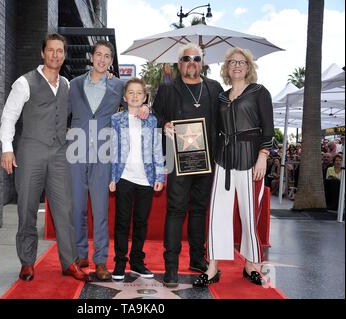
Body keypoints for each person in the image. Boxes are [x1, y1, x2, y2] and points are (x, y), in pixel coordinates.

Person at [0, 34, 88, 282]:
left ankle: (69, 262)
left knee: (65, 209)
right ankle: (27, 262)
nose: (55, 55)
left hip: (59, 154)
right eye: (51, 50)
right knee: (27, 208)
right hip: (31, 152)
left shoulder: (67, 85)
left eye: (60, 51)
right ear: (43, 53)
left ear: (64, 55)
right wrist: (7, 147)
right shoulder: (24, 82)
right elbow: (9, 116)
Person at [68, 40, 150, 280]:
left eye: (107, 56)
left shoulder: (118, 85)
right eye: (99, 55)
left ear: (111, 61)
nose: (102, 59)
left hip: (104, 153)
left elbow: (135, 102)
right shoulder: (73, 85)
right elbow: (61, 112)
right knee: (77, 208)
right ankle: (80, 253)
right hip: (76, 150)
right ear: (91, 57)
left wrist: (146, 108)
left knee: (101, 210)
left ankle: (101, 261)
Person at [193, 47, 275, 288]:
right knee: (217, 214)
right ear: (226, 68)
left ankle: (252, 265)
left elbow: (268, 128)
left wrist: (263, 156)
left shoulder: (260, 92)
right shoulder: (221, 96)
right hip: (223, 160)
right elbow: (212, 128)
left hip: (251, 160)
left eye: (241, 62)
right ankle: (212, 268)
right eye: (232, 62)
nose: (237, 66)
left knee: (249, 215)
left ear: (249, 67)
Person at [152, 43, 224, 288]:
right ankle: (170, 266)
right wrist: (164, 126)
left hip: (207, 161)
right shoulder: (167, 89)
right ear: (179, 63)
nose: (191, 61)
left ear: (202, 62)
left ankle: (196, 258)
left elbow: (225, 122)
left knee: (199, 210)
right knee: (175, 211)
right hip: (178, 161)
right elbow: (155, 117)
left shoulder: (214, 89)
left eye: (196, 58)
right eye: (186, 58)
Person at [109, 78, 165, 280]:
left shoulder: (151, 120)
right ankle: (120, 262)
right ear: (124, 97)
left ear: (144, 97)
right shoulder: (116, 120)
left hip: (146, 179)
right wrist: (112, 177)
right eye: (130, 93)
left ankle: (137, 261)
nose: (134, 96)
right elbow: (113, 150)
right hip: (124, 177)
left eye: (138, 93)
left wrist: (160, 175)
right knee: (122, 222)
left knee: (141, 222)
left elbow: (157, 148)